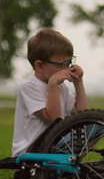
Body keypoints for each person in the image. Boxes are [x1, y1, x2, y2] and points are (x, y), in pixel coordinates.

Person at [12, 28, 88, 157]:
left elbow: (82, 115)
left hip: (52, 146)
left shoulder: (61, 88)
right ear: (39, 65)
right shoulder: (29, 87)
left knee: (93, 127)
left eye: (68, 63)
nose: (66, 69)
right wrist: (52, 84)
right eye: (61, 64)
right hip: (30, 153)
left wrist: (78, 82)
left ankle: (70, 164)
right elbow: (54, 120)